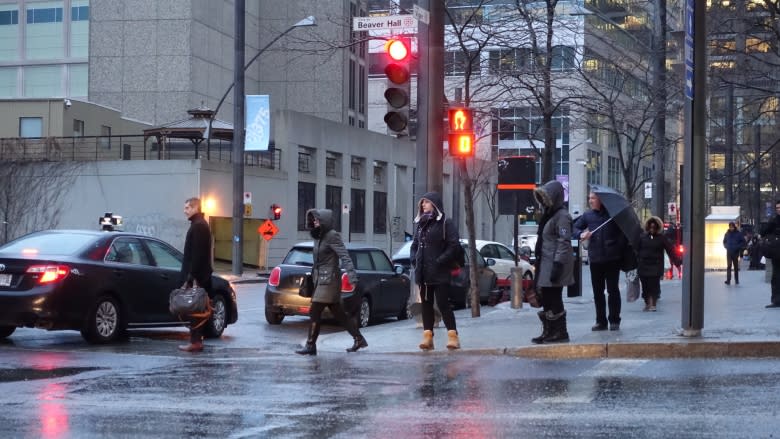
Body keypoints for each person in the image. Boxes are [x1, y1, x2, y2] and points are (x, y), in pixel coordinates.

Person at [296, 209, 367, 355]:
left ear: (324, 221)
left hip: (330, 281)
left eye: (317, 220)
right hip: (320, 280)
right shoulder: (318, 237)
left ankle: (311, 346)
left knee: (314, 311)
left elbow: (345, 256)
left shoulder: (332, 235)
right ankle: (359, 339)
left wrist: (352, 276)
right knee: (340, 314)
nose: (314, 222)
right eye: (313, 220)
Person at [410, 191, 461, 351]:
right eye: (422, 203)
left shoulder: (446, 222)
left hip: (440, 271)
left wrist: (440, 261)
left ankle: (453, 337)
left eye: (426, 202)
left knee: (443, 304)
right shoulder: (421, 224)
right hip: (423, 272)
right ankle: (427, 337)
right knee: (426, 303)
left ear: (434, 204)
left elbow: (454, 245)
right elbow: (415, 245)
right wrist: (414, 259)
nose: (423, 205)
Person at [573, 191, 626, 331]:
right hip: (595, 259)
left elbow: (623, 234)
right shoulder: (587, 215)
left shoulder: (613, 216)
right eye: (589, 198)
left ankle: (614, 320)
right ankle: (600, 321)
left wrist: (616, 246)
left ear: (600, 200)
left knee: (613, 290)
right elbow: (574, 227)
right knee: (598, 292)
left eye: (593, 198)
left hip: (612, 259)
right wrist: (581, 234)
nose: (590, 201)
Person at [531, 180, 574, 344]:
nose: (543, 202)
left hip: (555, 263)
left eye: (546, 198)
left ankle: (560, 332)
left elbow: (564, 241)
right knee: (546, 297)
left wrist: (558, 264)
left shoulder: (562, 216)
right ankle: (549, 331)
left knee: (554, 297)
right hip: (545, 262)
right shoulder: (550, 214)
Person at [178, 197, 213, 353]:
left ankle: (196, 341)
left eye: (187, 208)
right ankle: (196, 340)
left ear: (195, 208)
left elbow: (197, 255)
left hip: (198, 278)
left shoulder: (198, 226)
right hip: (199, 276)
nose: (185, 211)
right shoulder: (199, 225)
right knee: (195, 309)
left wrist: (191, 277)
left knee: (195, 309)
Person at [636, 216, 679, 311]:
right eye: (650, 227)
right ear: (647, 227)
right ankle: (647, 303)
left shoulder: (661, 238)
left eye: (654, 227)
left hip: (655, 266)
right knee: (645, 286)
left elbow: (670, 250)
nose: (652, 229)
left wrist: (677, 261)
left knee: (654, 285)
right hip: (643, 266)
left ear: (657, 228)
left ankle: (653, 304)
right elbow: (636, 250)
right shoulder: (642, 237)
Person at [763, 200, 780, 308]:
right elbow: (763, 231)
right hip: (776, 253)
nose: (779, 210)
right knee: (776, 277)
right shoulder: (773, 220)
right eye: (777, 208)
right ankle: (776, 300)